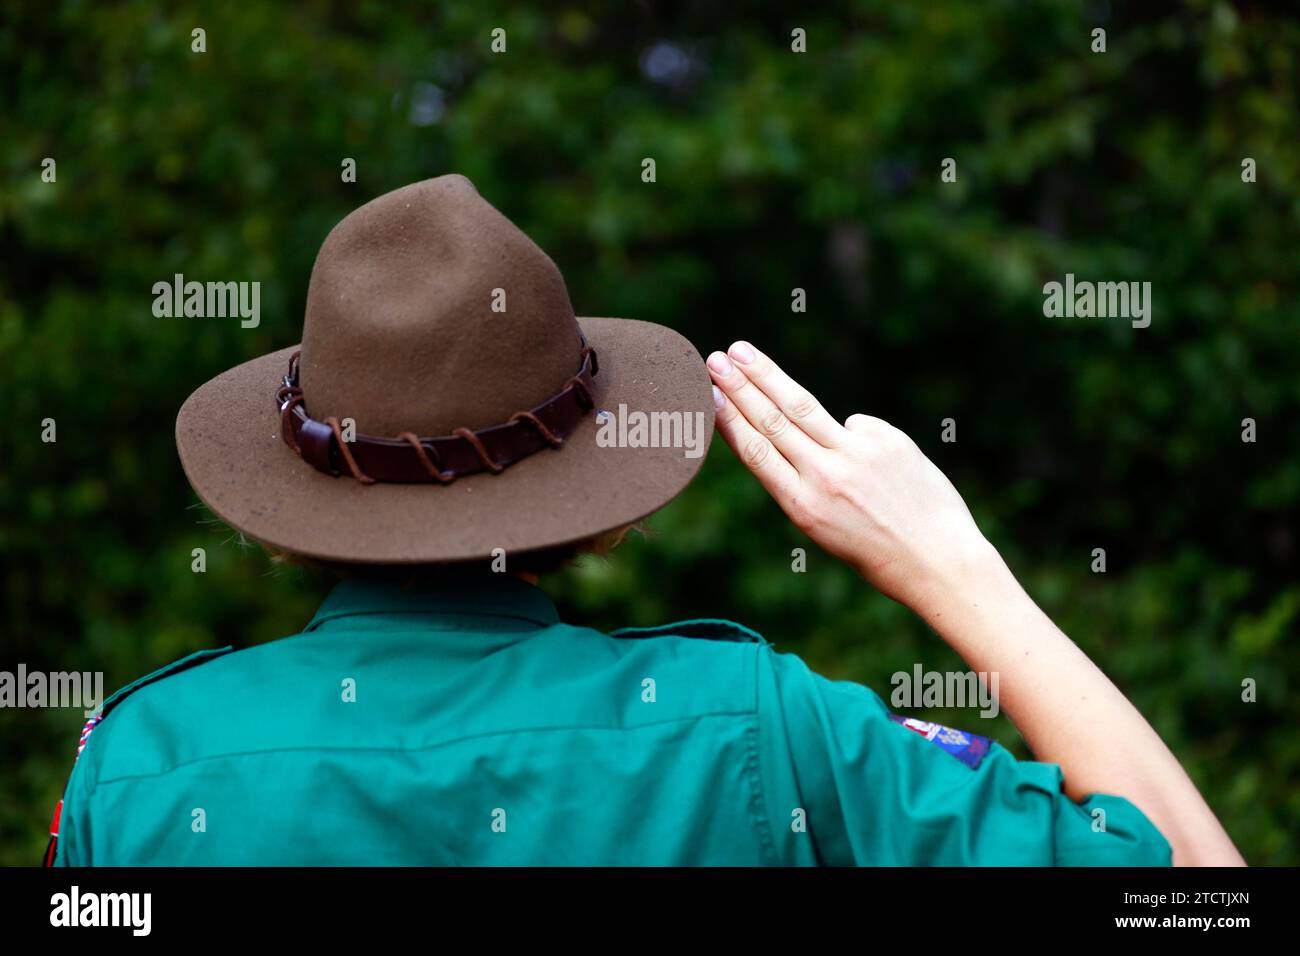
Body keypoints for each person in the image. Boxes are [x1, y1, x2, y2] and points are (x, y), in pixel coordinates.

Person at [47, 175, 1242, 866]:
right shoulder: (769, 735)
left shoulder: (140, 773)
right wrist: (956, 567)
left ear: (280, 503)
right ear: (606, 511)